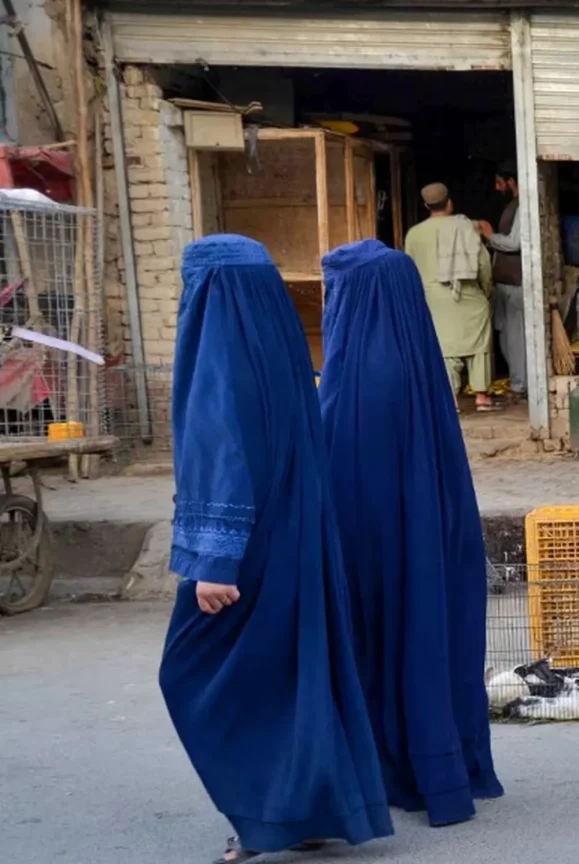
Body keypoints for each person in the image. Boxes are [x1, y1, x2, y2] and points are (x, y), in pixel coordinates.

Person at [158, 235, 393, 863]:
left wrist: (213, 561)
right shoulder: (284, 345)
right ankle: (308, 811)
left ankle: (265, 814)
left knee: (191, 672)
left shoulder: (218, 350)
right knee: (292, 671)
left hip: (243, 549)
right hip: (296, 539)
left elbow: (220, 453)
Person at [319, 239, 504, 827]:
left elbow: (344, 468)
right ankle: (444, 767)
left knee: (381, 645)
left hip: (376, 544)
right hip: (430, 536)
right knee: (429, 642)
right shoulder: (414, 353)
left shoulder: (360, 370)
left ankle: (393, 769)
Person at [403, 182, 497, 412]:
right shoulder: (467, 228)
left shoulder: (414, 234)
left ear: (426, 205)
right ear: (450, 202)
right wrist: (486, 292)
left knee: (445, 347)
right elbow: (483, 265)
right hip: (469, 295)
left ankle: (451, 398)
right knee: (480, 345)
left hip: (433, 299)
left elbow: (409, 270)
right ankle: (482, 396)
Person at [476, 161, 526, 400]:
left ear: (511, 181)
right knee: (506, 336)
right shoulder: (511, 205)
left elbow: (516, 243)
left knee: (514, 337)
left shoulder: (522, 205)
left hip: (515, 283)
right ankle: (519, 382)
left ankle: (521, 385)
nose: (497, 189)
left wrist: (489, 236)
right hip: (504, 282)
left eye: (499, 183)